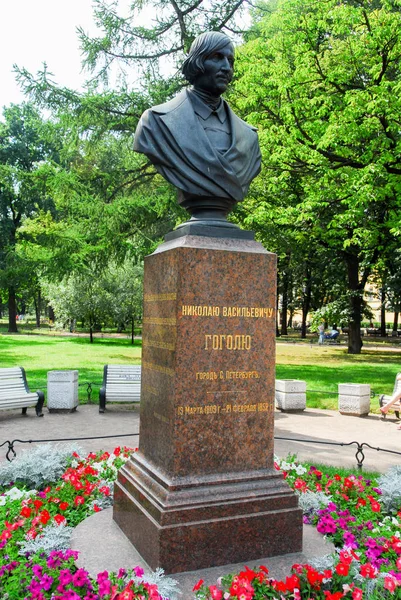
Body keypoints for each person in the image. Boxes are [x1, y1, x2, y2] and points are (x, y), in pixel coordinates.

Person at [133, 31, 261, 221]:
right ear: (197, 62)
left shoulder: (249, 137)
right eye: (217, 58)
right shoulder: (156, 122)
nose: (226, 67)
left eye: (230, 61)